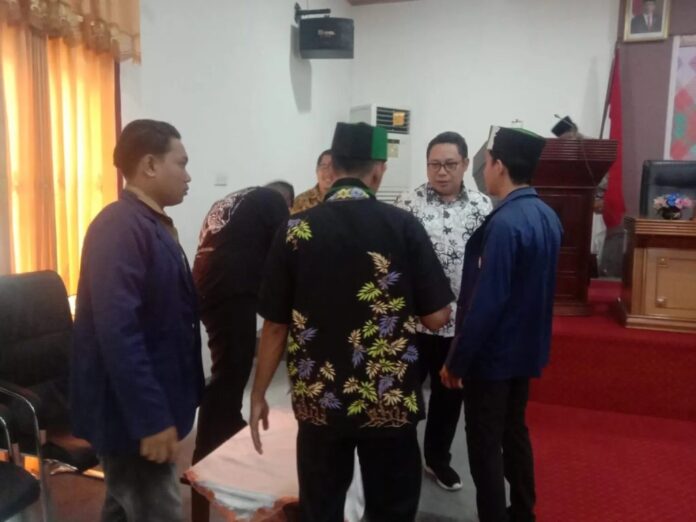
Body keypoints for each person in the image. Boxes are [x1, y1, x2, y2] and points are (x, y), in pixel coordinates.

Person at [250, 122, 454, 522]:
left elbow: (274, 326)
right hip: (388, 401)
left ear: (332, 166)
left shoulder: (294, 230)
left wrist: (258, 394)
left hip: (319, 402)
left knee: (321, 506)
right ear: (378, 170)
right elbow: (436, 318)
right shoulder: (403, 226)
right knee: (392, 508)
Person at [71, 119, 204, 522]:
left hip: (150, 405)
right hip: (130, 418)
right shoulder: (119, 227)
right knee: (157, 510)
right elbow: (118, 332)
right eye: (181, 163)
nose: (188, 176)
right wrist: (150, 418)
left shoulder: (150, 224)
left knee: (122, 507)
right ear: (149, 165)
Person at [441, 126, 563, 522]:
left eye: (488, 162)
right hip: (526, 350)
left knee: (484, 444)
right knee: (514, 431)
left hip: (493, 356)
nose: (485, 171)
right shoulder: (547, 215)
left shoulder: (506, 223)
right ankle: (523, 510)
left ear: (500, 166)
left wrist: (457, 360)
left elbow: (487, 302)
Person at [190, 180, 294, 521]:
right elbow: (285, 254)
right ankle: (208, 453)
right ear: (287, 204)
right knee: (231, 371)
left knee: (228, 366)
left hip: (204, 285)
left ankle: (226, 428)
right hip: (231, 288)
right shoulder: (275, 201)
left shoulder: (235, 200)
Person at [394, 131, 491, 491]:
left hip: (459, 323)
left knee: (449, 396)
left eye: (450, 164)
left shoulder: (482, 206)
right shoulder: (408, 202)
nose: (441, 172)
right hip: (413, 322)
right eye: (434, 164)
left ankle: (437, 459)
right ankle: (400, 460)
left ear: (465, 164)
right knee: (403, 394)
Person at [291, 149, 334, 214]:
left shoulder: (346, 199)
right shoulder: (300, 201)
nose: (329, 172)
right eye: (324, 166)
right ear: (317, 170)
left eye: (333, 167)